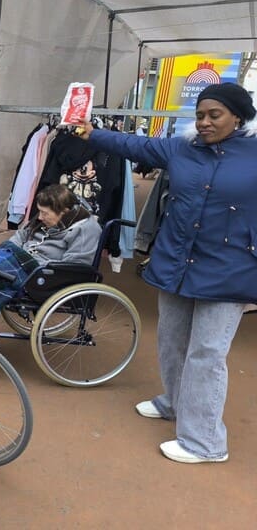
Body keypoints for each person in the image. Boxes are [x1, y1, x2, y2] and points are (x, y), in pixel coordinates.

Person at [76, 82, 257, 464]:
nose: (204, 122)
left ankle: (205, 442)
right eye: (200, 115)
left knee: (207, 353)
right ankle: (175, 402)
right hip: (176, 260)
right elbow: (133, 146)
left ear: (238, 116)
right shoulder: (181, 148)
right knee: (172, 339)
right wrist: (94, 132)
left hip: (230, 269)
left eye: (215, 115)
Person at [0, 184, 101, 337]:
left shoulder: (86, 229)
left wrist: (38, 265)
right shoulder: (49, 217)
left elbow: (73, 267)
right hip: (18, 258)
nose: (40, 217)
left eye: (45, 213)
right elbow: (21, 235)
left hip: (38, 272)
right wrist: (11, 250)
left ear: (64, 212)